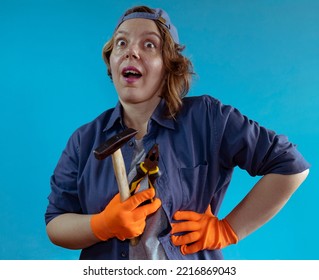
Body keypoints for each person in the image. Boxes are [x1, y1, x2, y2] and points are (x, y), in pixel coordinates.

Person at [45, 5, 310, 260]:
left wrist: (227, 230)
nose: (131, 52)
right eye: (121, 43)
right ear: (111, 61)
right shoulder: (84, 140)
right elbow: (55, 223)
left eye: (149, 44)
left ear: (169, 65)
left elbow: (291, 165)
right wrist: (102, 225)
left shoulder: (207, 119)